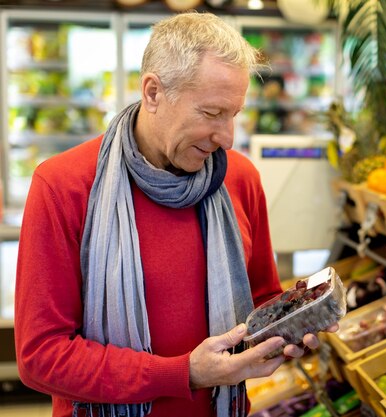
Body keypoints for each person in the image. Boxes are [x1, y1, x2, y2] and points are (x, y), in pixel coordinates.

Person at [14, 11, 336, 417]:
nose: (227, 137)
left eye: (234, 114)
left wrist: (292, 324)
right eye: (211, 113)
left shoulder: (239, 179)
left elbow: (260, 299)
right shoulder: (63, 186)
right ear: (153, 93)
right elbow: (40, 356)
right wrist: (183, 374)